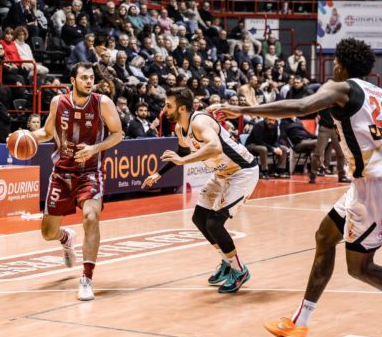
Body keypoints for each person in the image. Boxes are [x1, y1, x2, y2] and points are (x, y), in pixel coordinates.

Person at [211, 38, 382, 337]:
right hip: (374, 182)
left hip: (376, 185)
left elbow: (300, 107)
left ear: (342, 65)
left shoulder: (342, 88)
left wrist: (241, 108)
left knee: (360, 268)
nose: (333, 67)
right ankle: (299, 323)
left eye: (335, 62)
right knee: (325, 236)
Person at [142, 87, 259, 294]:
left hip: (242, 172)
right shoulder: (180, 128)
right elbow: (181, 152)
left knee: (214, 223)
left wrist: (183, 161)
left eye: (169, 106)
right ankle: (227, 262)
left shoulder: (199, 122)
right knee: (199, 218)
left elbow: (215, 147)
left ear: (182, 108)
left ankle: (239, 270)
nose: (165, 109)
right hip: (221, 174)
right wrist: (159, 174)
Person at [30, 62, 123, 301]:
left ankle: (86, 278)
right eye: (84, 78)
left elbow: (118, 134)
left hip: (90, 172)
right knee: (47, 233)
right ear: (72, 81)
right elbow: (47, 133)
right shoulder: (57, 102)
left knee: (91, 217)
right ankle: (65, 238)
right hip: (61, 174)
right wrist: (25, 136)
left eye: (91, 77)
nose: (89, 81)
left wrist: (94, 148)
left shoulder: (102, 103)